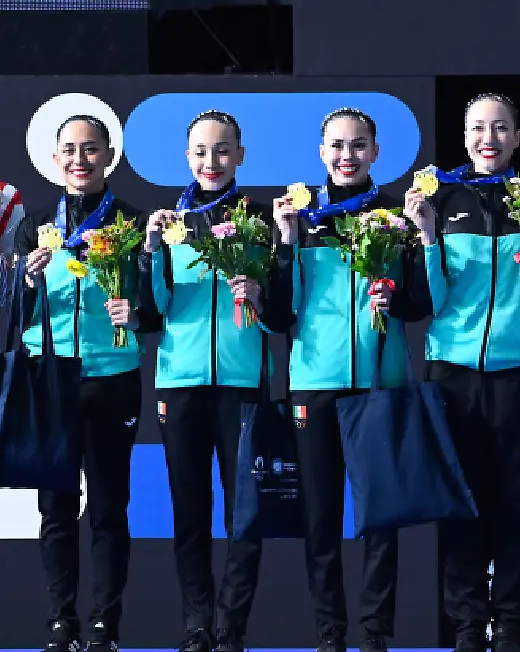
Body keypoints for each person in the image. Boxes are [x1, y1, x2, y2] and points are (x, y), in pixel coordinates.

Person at [403, 93, 520, 652]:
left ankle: (511, 622)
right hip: (452, 370)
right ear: (465, 136)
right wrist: (427, 237)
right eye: (479, 128)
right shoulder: (442, 198)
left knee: (518, 502)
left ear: (518, 138)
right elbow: (429, 301)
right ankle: (468, 625)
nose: (489, 139)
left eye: (501, 128)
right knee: (463, 502)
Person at [270, 107, 429, 652]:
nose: (347, 155)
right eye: (337, 145)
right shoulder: (299, 217)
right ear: (320, 152)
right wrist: (286, 243)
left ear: (376, 153)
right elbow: (277, 316)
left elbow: (419, 305)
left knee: (381, 524)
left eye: (358, 145)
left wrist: (396, 295)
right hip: (314, 385)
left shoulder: (395, 216)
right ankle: (329, 636)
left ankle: (375, 636)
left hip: (379, 384)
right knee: (321, 521)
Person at [15, 115, 154, 652]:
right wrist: (25, 281)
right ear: (55, 160)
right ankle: (60, 622)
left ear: (108, 157)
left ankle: (104, 626)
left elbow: (153, 305)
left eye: (91, 149)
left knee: (108, 509)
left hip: (112, 377)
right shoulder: (30, 228)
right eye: (70, 150)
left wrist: (136, 310)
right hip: (48, 376)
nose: (80, 159)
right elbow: (11, 312)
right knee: (54, 509)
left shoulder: (131, 222)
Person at [139, 110, 275, 652]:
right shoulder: (168, 225)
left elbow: (283, 312)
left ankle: (231, 630)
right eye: (200, 151)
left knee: (245, 516)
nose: (210, 162)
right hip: (181, 384)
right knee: (189, 512)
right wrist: (150, 253)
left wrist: (262, 294)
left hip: (243, 384)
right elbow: (155, 311)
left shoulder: (263, 222)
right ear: (186, 156)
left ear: (240, 155)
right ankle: (197, 627)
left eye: (222, 151)